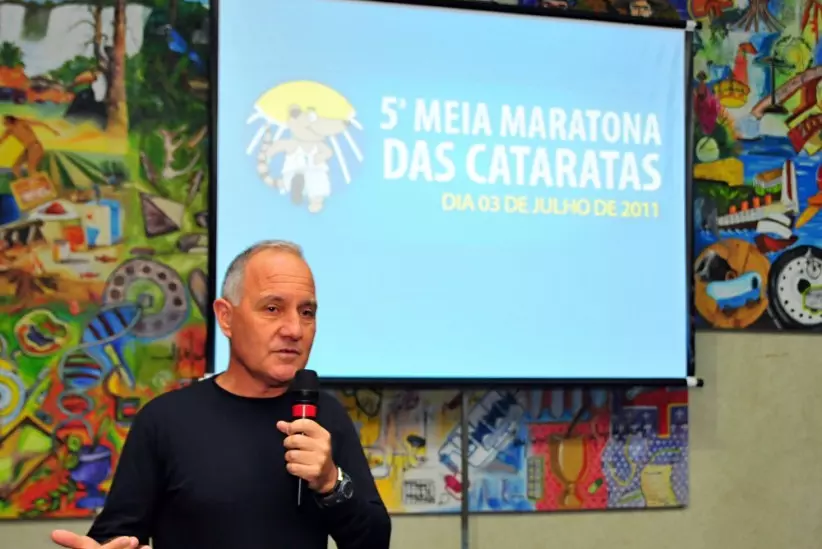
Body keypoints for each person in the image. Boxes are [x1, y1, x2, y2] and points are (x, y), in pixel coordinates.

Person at [50, 240, 391, 549]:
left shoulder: (324, 416)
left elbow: (374, 542)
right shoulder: (164, 421)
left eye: (307, 313)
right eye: (272, 309)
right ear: (226, 318)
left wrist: (331, 482)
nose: (294, 329)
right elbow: (115, 537)